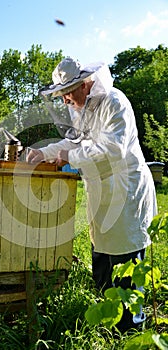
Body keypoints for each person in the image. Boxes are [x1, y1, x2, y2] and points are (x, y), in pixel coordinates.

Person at [26, 57, 157, 332]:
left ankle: (131, 329)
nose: (64, 101)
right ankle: (105, 318)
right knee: (102, 253)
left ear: (85, 84)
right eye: (60, 95)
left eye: (68, 93)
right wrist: (44, 153)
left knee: (127, 259)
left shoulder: (114, 102)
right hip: (101, 191)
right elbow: (74, 142)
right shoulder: (82, 109)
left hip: (125, 189)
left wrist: (68, 156)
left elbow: (112, 151)